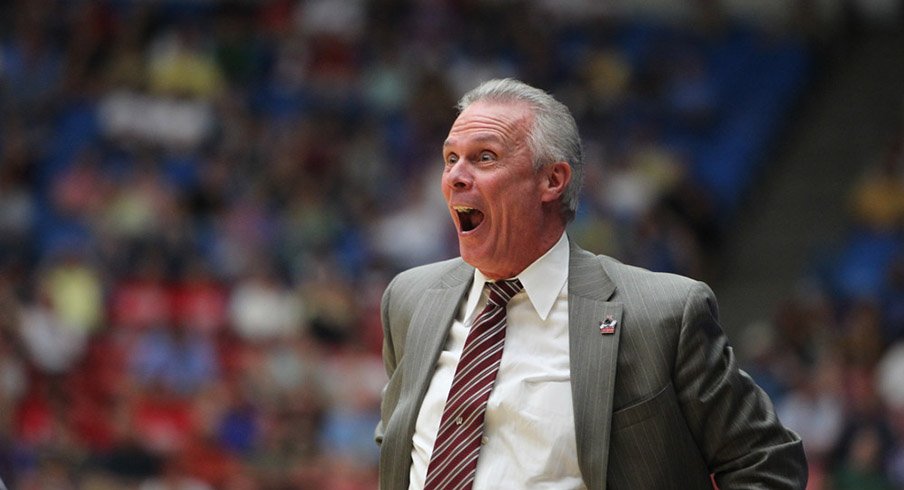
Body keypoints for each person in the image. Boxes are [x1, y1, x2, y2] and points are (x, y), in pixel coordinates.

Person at [375, 78, 807, 489]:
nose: (455, 177)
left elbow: (765, 461)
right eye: (451, 158)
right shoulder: (410, 300)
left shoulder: (662, 314)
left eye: (484, 157)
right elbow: (403, 451)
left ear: (552, 180)